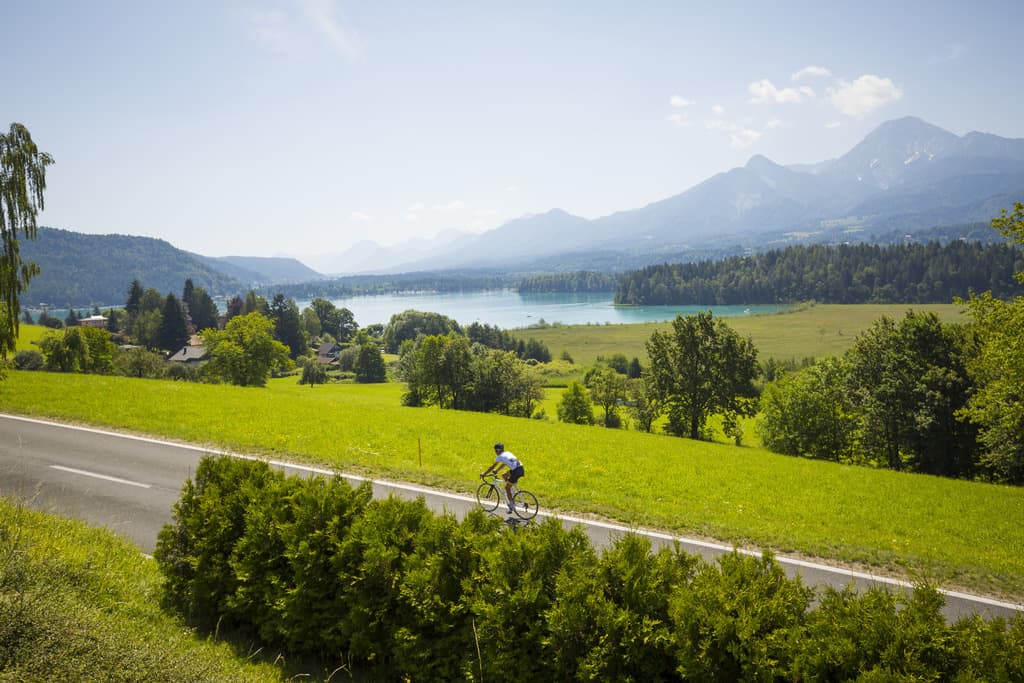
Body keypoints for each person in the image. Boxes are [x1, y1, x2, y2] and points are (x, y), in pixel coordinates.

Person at [481, 442, 525, 514]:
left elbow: (492, 466)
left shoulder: (500, 456)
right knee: (504, 475)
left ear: (498, 450)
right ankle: (512, 492)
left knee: (507, 487)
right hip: (520, 468)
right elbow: (504, 463)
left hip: (516, 471)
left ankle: (511, 506)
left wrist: (484, 473)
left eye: (495, 450)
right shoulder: (507, 453)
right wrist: (497, 470)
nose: (495, 452)